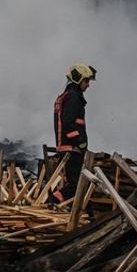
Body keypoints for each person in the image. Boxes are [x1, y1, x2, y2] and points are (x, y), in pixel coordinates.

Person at [52, 63, 96, 206]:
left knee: (75, 184)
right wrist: (80, 141)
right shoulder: (73, 97)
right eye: (86, 80)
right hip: (72, 148)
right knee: (76, 185)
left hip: (67, 147)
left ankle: (62, 207)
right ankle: (51, 202)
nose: (88, 85)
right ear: (78, 79)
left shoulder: (66, 96)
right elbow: (69, 123)